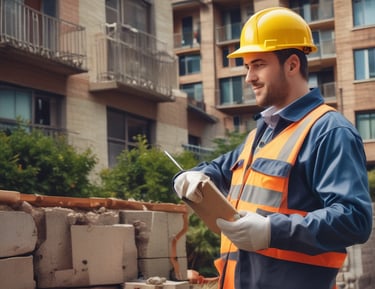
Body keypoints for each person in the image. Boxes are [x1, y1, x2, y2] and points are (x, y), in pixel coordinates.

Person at [173, 7, 373, 289]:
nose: (248, 77)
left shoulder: (329, 131)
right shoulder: (260, 134)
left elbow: (354, 219)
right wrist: (189, 176)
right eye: (246, 67)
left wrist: (271, 231)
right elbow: (218, 169)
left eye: (258, 64)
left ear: (291, 65)